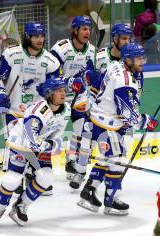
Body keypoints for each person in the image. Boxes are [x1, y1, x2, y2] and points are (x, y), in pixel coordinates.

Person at [74, 43, 159, 216]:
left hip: (100, 120)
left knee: (108, 160)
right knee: (117, 159)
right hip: (107, 124)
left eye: (143, 57)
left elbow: (96, 84)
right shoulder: (124, 80)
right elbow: (126, 112)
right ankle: (110, 200)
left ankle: (89, 191)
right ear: (128, 60)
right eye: (138, 58)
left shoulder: (114, 66)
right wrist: (145, 122)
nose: (142, 61)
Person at [0, 78, 70, 226]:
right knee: (13, 179)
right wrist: (46, 145)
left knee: (46, 177)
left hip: (40, 145)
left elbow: (56, 134)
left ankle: (21, 205)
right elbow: (30, 136)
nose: (63, 93)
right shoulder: (40, 109)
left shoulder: (66, 109)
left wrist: (54, 144)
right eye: (59, 90)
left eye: (64, 90)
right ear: (49, 94)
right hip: (21, 143)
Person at [0, 22, 60, 195]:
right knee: (17, 148)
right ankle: (14, 180)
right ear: (28, 37)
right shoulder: (11, 54)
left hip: (38, 114)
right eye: (36, 36)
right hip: (14, 109)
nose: (40, 39)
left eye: (42, 35)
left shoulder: (51, 62)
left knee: (36, 145)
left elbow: (56, 88)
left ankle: (34, 175)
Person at [69, 23, 133, 190]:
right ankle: (80, 172)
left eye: (129, 38)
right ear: (115, 38)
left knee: (117, 147)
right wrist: (88, 76)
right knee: (86, 142)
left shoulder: (131, 59)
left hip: (117, 111)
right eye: (124, 38)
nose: (127, 42)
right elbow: (83, 75)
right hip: (97, 108)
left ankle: (113, 178)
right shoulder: (101, 56)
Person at [49, 15, 96, 183]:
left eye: (89, 28)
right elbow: (51, 74)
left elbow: (91, 75)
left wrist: (89, 77)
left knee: (81, 129)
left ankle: (71, 159)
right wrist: (68, 82)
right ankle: (39, 168)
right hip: (58, 95)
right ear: (75, 30)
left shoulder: (91, 50)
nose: (87, 32)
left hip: (79, 96)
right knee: (52, 133)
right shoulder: (62, 48)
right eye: (84, 28)